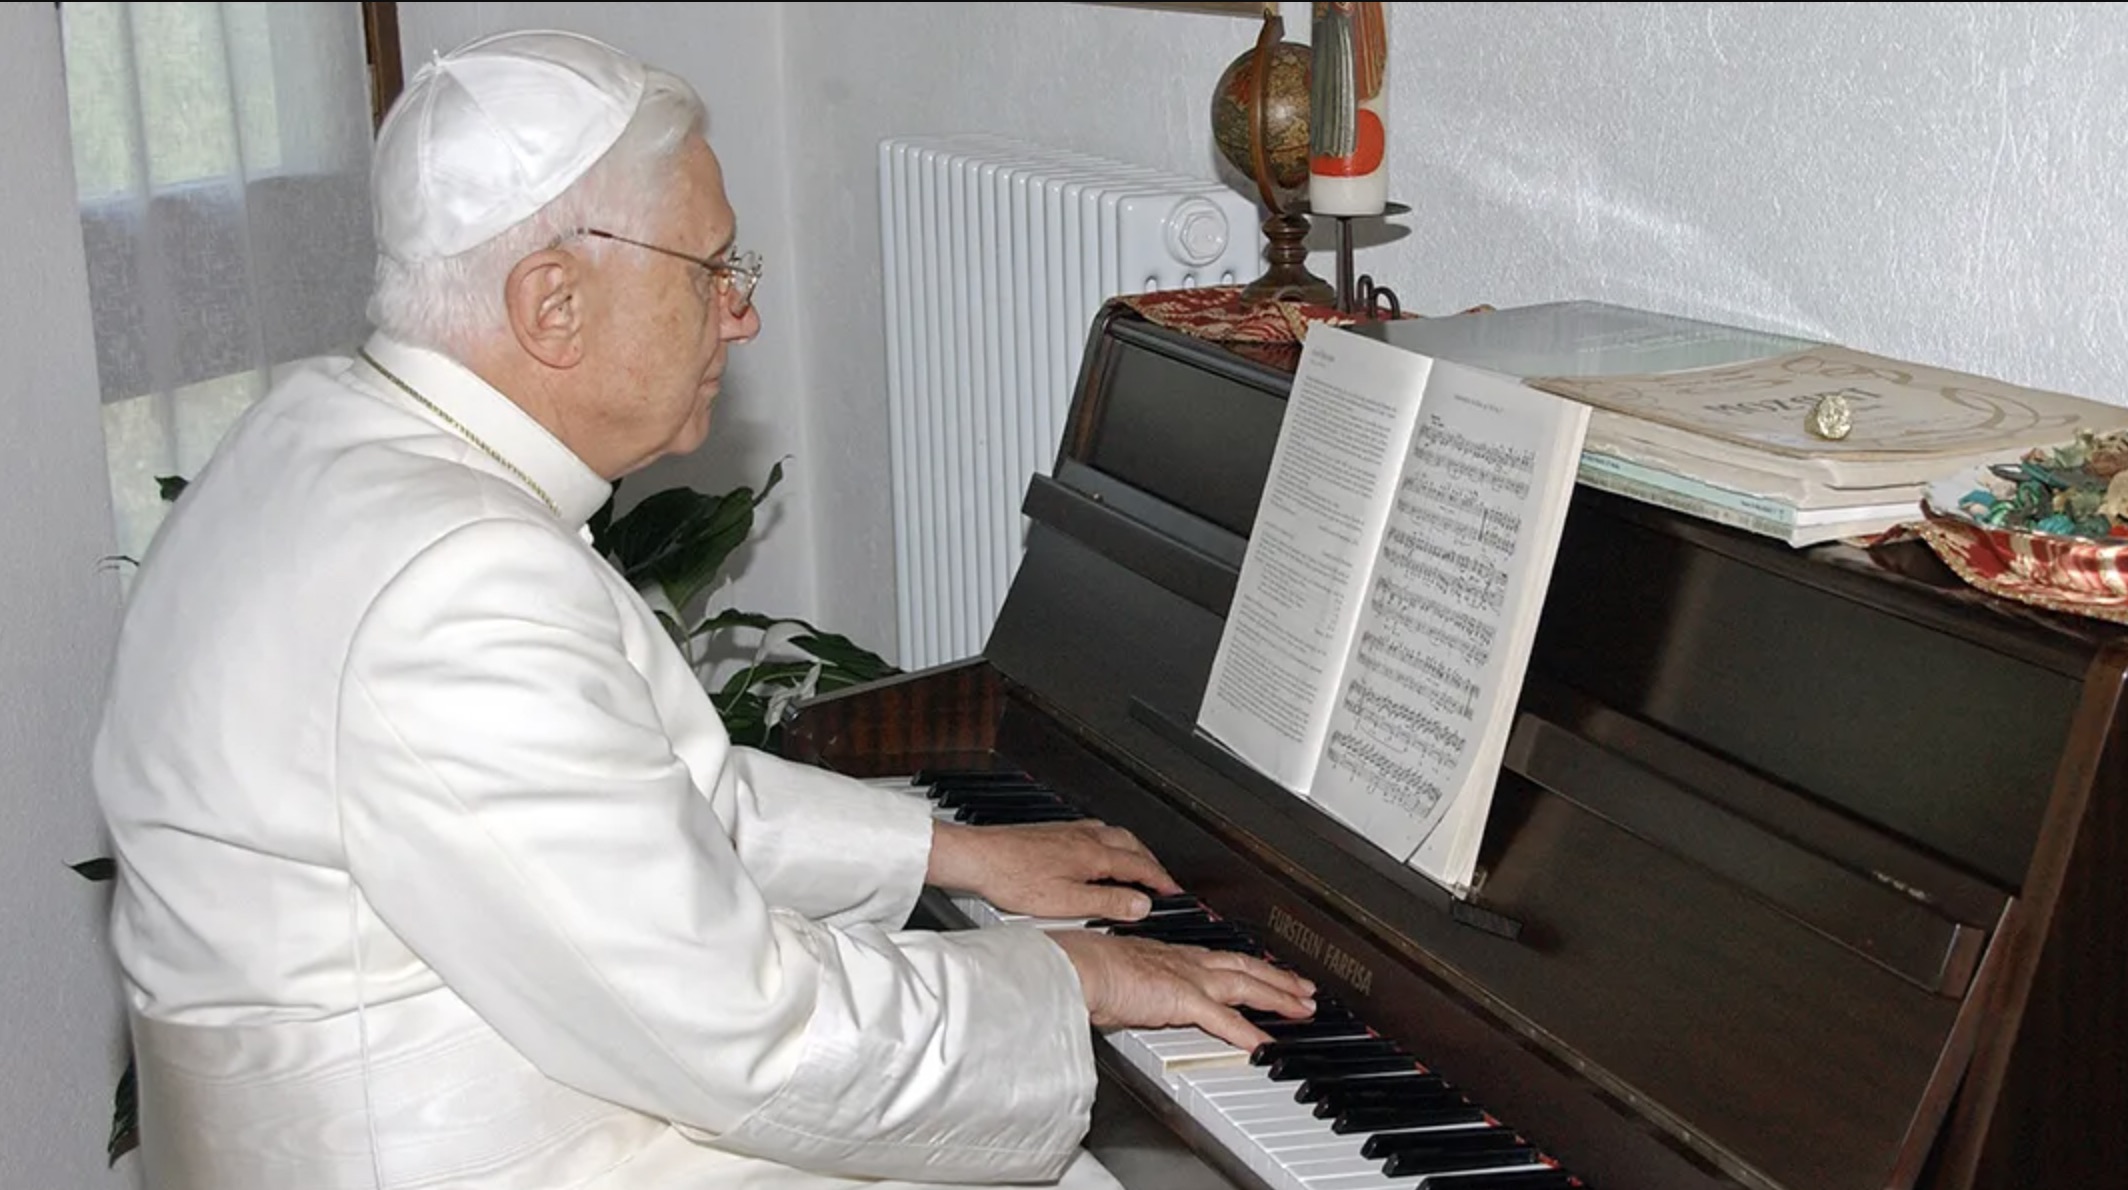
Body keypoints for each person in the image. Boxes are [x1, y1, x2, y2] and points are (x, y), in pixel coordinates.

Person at [88, 27, 1314, 1190]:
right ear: (551, 303)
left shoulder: (309, 437)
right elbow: (750, 1032)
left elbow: (639, 800)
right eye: (715, 267)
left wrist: (950, 849)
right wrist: (1072, 979)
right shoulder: (453, 586)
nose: (744, 312)